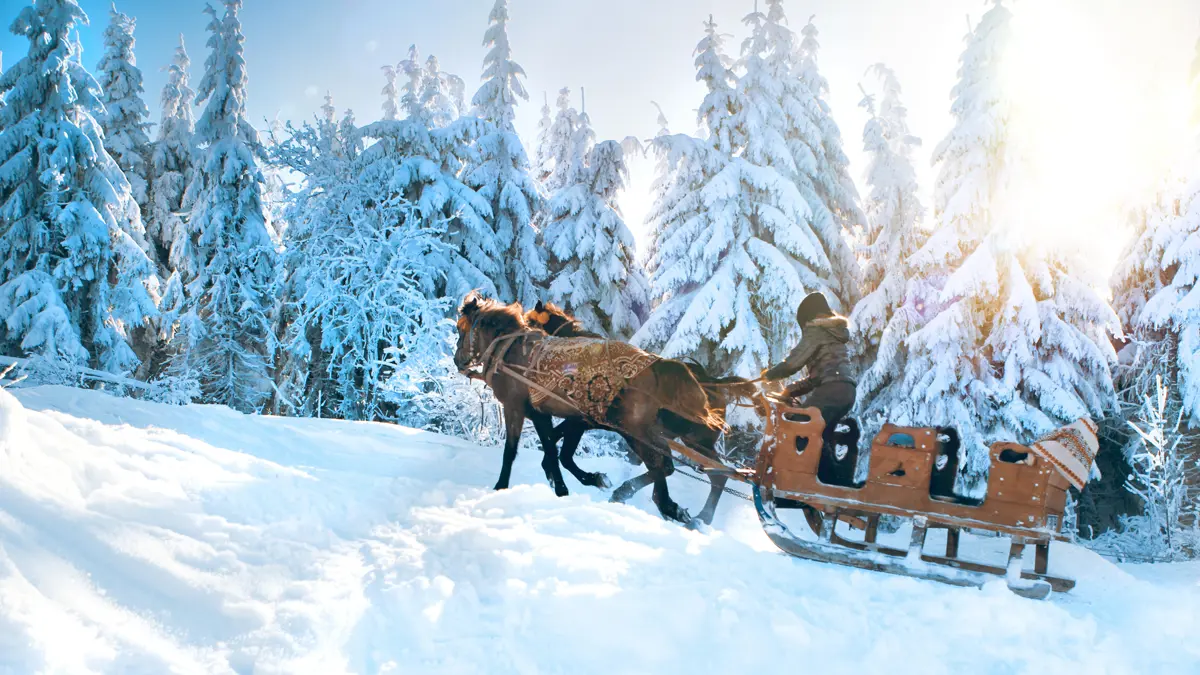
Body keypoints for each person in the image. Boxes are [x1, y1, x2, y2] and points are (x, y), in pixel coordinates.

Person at [761, 292, 857, 479]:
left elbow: (793, 362)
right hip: (845, 392)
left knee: (798, 425)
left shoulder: (816, 330)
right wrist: (790, 390)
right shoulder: (833, 334)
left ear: (808, 317)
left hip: (832, 390)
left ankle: (809, 477)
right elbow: (816, 378)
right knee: (821, 433)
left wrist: (771, 374)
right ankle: (828, 479)